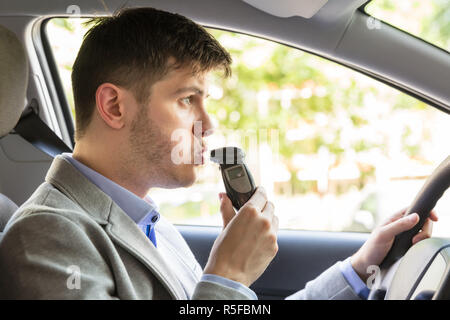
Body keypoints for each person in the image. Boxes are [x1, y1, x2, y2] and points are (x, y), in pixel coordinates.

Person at [0, 7, 438, 300]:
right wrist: (227, 277)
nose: (208, 125)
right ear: (115, 106)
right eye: (187, 99)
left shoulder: (144, 221)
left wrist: (363, 268)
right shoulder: (47, 236)